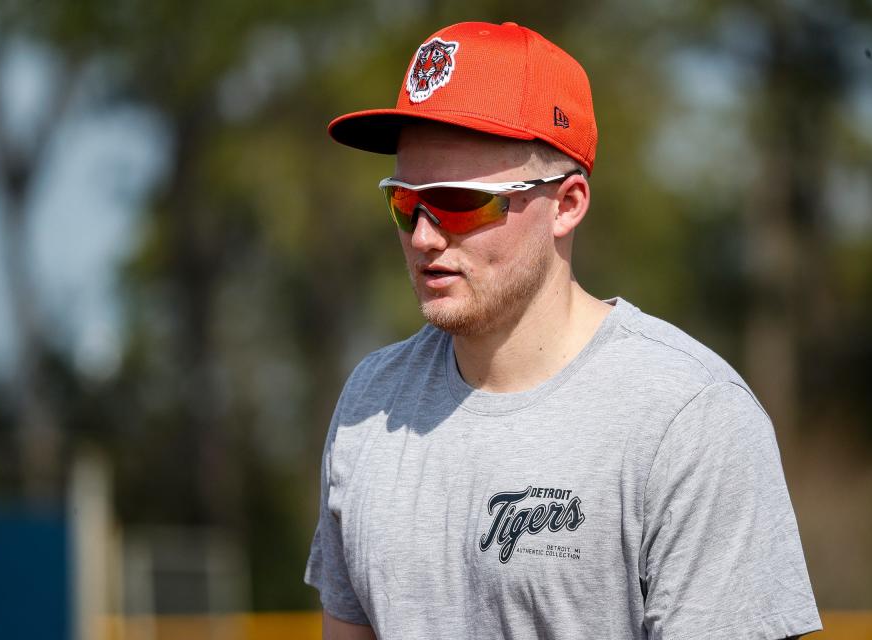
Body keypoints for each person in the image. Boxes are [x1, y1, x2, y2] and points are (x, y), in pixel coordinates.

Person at [305, 21, 821, 640]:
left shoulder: (688, 419)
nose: (422, 236)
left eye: (460, 201)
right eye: (403, 202)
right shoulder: (370, 404)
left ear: (568, 203)